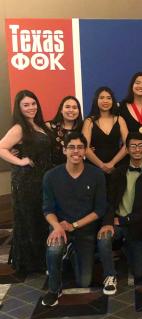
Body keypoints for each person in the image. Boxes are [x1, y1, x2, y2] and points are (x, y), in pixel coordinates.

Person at [41, 132, 107, 306]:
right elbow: (47, 209)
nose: (75, 151)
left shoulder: (96, 175)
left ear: (85, 150)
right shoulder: (51, 176)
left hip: (85, 230)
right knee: (54, 249)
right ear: (64, 150)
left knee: (84, 282)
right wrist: (57, 227)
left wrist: (74, 225)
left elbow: (100, 210)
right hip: (60, 228)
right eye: (71, 147)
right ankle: (54, 290)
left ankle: (71, 252)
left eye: (80, 147)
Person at [97, 132, 142, 285]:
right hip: (117, 223)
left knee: (139, 273)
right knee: (104, 238)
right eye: (133, 146)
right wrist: (107, 222)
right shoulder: (118, 172)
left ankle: (127, 247)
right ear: (127, 149)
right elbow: (110, 201)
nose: (137, 149)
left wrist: (126, 220)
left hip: (136, 226)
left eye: (140, 146)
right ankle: (110, 275)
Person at [0, 90, 52, 273]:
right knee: (30, 220)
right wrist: (20, 161)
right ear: (19, 108)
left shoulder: (40, 125)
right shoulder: (19, 128)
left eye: (33, 103)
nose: (31, 108)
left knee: (41, 219)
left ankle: (43, 259)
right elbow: (1, 147)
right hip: (27, 182)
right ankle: (32, 264)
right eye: (26, 105)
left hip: (43, 180)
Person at [82, 87, 128, 178]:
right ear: (96, 100)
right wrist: (102, 166)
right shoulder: (89, 121)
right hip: (94, 168)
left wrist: (112, 163)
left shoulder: (120, 119)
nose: (105, 101)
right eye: (101, 98)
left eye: (108, 98)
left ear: (113, 101)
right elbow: (85, 148)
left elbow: (128, 145)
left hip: (117, 167)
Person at [46, 96, 83, 166]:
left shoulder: (83, 128)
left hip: (77, 169)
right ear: (61, 110)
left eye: (74, 107)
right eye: (67, 107)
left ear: (79, 111)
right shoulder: (49, 126)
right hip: (53, 170)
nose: (71, 110)